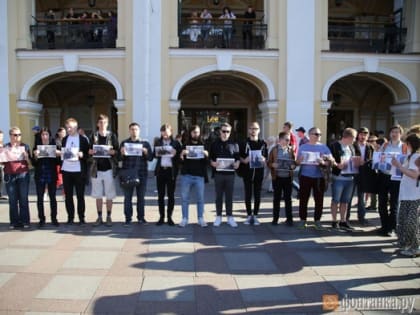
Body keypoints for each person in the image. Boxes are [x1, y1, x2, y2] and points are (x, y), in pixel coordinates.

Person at [296, 127, 333, 229]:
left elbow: (331, 161)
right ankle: (303, 220)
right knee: (303, 199)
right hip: (305, 176)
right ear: (310, 135)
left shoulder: (324, 147)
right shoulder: (303, 147)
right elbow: (297, 162)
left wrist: (324, 162)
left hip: (319, 177)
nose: (318, 136)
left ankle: (317, 221)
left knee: (319, 200)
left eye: (320, 134)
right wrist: (299, 160)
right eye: (316, 134)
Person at [391, 133, 420, 257]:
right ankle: (406, 244)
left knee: (411, 222)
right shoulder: (411, 156)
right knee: (403, 221)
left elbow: (414, 175)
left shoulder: (415, 157)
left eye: (406, 144)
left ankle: (415, 247)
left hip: (414, 195)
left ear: (409, 144)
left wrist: (398, 166)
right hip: (407, 194)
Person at [120, 122, 153, 225]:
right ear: (129, 131)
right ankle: (128, 218)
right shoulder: (124, 143)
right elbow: (119, 159)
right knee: (127, 198)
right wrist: (121, 153)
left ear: (139, 131)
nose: (134, 131)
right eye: (132, 129)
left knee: (141, 198)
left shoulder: (145, 143)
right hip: (128, 174)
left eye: (136, 129)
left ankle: (141, 218)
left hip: (142, 174)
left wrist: (146, 152)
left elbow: (151, 158)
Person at [377, 124, 407, 236]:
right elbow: (378, 159)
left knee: (394, 203)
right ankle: (384, 226)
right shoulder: (384, 146)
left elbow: (407, 162)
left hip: (397, 178)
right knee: (382, 202)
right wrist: (381, 160)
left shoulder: (404, 147)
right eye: (392, 132)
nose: (394, 134)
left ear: (400, 134)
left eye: (397, 132)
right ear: (389, 133)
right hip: (384, 176)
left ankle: (391, 227)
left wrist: (399, 164)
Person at [89, 114, 119, 227]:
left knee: (109, 194)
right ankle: (99, 216)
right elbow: (88, 150)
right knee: (98, 194)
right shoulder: (93, 136)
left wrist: (113, 152)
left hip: (109, 168)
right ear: (97, 124)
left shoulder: (112, 136)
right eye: (100, 122)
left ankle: (109, 216)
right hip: (96, 169)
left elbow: (117, 150)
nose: (102, 124)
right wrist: (90, 152)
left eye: (104, 122)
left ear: (107, 124)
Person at [209, 122, 240, 227]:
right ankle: (218, 216)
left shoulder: (234, 144)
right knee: (218, 196)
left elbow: (237, 158)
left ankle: (230, 217)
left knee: (229, 197)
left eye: (228, 131)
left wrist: (237, 164)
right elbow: (210, 159)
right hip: (218, 174)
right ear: (220, 132)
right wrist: (212, 163)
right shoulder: (214, 144)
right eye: (223, 131)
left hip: (230, 175)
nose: (225, 133)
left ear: (230, 132)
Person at [179, 125, 209, 227]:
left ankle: (200, 218)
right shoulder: (185, 144)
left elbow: (207, 162)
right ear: (190, 133)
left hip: (199, 175)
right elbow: (180, 162)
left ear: (199, 133)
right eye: (194, 132)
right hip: (186, 175)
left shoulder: (204, 144)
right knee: (185, 199)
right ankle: (184, 218)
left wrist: (206, 155)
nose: (195, 134)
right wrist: (181, 155)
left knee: (200, 198)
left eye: (197, 132)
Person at [61, 118, 90, 225]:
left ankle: (81, 218)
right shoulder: (65, 139)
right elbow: (63, 153)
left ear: (76, 127)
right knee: (68, 196)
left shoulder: (83, 139)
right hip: (66, 170)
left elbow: (88, 155)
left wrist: (83, 155)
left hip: (78, 171)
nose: (68, 129)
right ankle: (70, 217)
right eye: (67, 127)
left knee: (80, 196)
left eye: (70, 127)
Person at [329, 128, 359, 231]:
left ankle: (343, 220)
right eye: (354, 138)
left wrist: (357, 163)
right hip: (338, 177)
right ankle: (334, 221)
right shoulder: (335, 145)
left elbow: (353, 159)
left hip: (350, 177)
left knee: (345, 201)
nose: (355, 140)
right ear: (349, 137)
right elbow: (329, 159)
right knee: (336, 200)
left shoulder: (351, 147)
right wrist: (337, 165)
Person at [239, 122, 267, 225]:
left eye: (255, 128)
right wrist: (244, 160)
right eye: (251, 128)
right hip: (247, 173)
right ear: (248, 130)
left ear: (259, 130)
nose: (253, 130)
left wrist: (264, 159)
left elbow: (266, 157)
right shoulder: (244, 143)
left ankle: (255, 216)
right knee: (248, 194)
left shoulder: (263, 143)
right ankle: (248, 215)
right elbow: (238, 157)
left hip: (259, 173)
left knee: (257, 195)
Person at [3, 127, 31, 229]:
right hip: (9, 175)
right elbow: (2, 162)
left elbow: (30, 164)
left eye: (19, 135)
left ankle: (25, 221)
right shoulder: (6, 147)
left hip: (23, 174)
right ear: (10, 136)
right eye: (15, 135)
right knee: (12, 200)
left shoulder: (25, 146)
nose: (17, 137)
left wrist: (27, 157)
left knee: (23, 199)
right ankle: (14, 221)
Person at [153, 124, 181, 226]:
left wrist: (176, 153)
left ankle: (169, 217)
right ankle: (161, 217)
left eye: (167, 131)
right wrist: (155, 153)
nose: (165, 133)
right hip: (160, 171)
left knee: (171, 195)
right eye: (163, 131)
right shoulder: (158, 142)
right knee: (160, 196)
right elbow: (153, 155)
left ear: (171, 132)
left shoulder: (176, 143)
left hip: (171, 172)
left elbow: (180, 158)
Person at [31, 127, 60, 227]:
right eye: (43, 134)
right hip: (40, 175)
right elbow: (33, 163)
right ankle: (41, 219)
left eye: (46, 134)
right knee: (40, 198)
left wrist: (57, 155)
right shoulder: (36, 147)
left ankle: (54, 218)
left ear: (49, 135)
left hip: (51, 174)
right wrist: (35, 156)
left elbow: (58, 162)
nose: (44, 136)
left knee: (53, 197)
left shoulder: (54, 145)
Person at [347, 127, 376, 225]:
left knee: (361, 197)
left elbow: (372, 160)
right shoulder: (352, 145)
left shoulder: (370, 147)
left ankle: (361, 217)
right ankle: (346, 218)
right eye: (361, 134)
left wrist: (365, 162)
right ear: (358, 135)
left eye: (365, 134)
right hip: (353, 173)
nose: (363, 136)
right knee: (349, 197)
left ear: (367, 136)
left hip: (364, 174)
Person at [267, 131, 296, 226]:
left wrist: (293, 166)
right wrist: (272, 164)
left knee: (288, 199)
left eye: (289, 140)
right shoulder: (274, 150)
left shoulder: (291, 150)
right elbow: (268, 162)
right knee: (276, 199)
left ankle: (289, 219)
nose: (288, 141)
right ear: (280, 140)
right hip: (277, 178)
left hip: (288, 178)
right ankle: (275, 219)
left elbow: (294, 163)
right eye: (287, 139)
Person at [0, 130, 6, 200]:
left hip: (2, 165)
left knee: (2, 180)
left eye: (1, 136)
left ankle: (0, 194)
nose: (1, 138)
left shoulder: (4, 145)